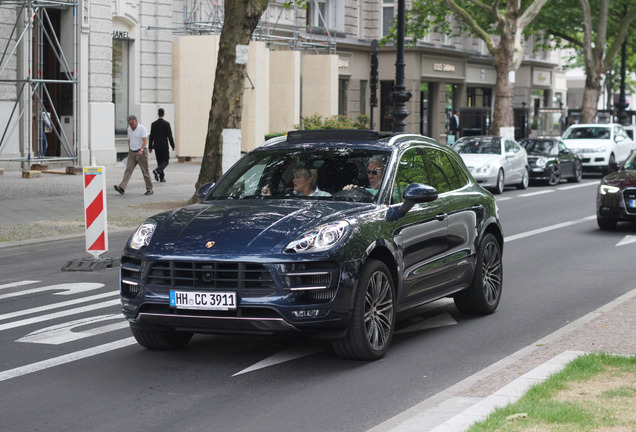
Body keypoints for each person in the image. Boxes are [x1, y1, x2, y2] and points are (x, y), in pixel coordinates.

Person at [114, 115, 153, 196]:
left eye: (132, 124)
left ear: (136, 121)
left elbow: (145, 141)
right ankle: (122, 187)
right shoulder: (129, 129)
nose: (131, 126)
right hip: (132, 152)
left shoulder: (142, 128)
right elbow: (129, 140)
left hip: (141, 152)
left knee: (145, 171)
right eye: (129, 124)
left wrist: (141, 150)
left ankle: (149, 189)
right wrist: (129, 151)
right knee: (128, 170)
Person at [261, 166, 331, 197]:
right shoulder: (289, 197)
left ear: (309, 180)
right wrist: (267, 198)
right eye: (294, 177)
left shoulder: (325, 197)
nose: (293, 180)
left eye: (297, 177)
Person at [149, 108, 175, 183]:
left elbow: (151, 136)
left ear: (158, 114)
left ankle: (161, 177)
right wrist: (172, 145)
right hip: (164, 146)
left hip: (156, 146)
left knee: (159, 161)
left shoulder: (153, 124)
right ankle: (157, 171)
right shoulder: (166, 124)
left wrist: (150, 146)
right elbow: (170, 136)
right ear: (164, 114)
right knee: (166, 161)